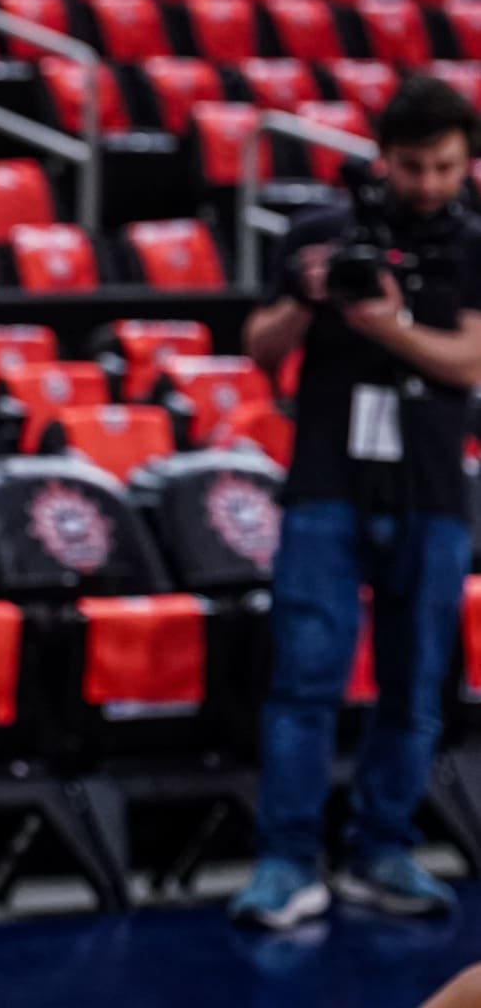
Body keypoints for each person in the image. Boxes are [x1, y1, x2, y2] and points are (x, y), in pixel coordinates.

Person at [229, 75, 481, 930]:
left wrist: (386, 326)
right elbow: (259, 351)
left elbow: (468, 361)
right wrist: (305, 299)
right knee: (304, 679)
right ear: (382, 159)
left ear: (467, 164)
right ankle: (285, 863)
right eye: (411, 167)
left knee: (414, 686)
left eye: (443, 168)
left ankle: (382, 849)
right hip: (326, 483)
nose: (425, 185)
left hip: (431, 490)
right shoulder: (318, 234)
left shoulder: (474, 244)